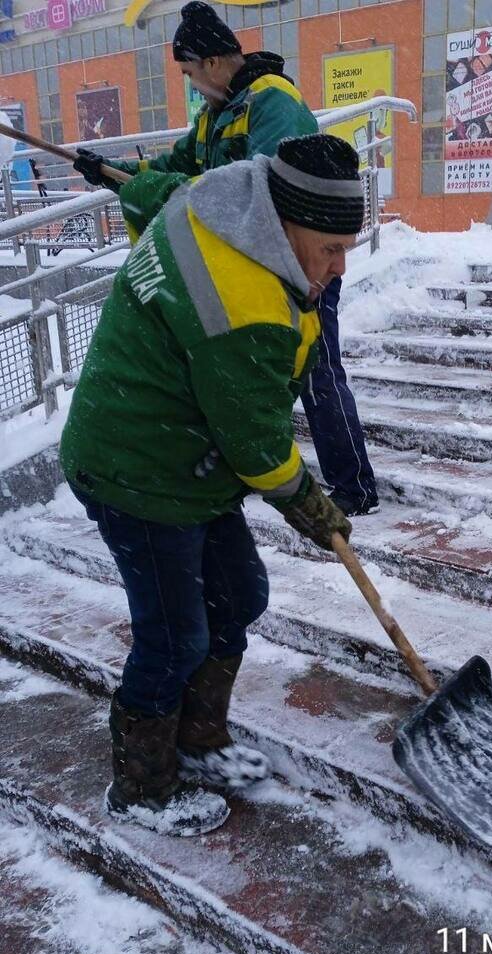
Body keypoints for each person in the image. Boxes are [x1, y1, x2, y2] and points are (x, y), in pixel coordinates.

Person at [60, 133, 364, 837]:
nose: (338, 267)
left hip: (186, 461)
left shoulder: (216, 200)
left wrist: (112, 173)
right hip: (136, 470)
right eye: (329, 249)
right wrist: (317, 512)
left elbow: (147, 191)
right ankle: (142, 787)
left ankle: (198, 738)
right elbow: (257, 448)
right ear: (283, 229)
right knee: (173, 638)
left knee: (240, 594)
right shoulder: (245, 304)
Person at [73, 0, 378, 517]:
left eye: (191, 71)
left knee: (317, 371)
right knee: (280, 374)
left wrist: (170, 193)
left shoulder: (271, 102)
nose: (193, 83)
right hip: (249, 276)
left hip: (301, 267)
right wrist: (112, 170)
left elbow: (260, 191)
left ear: (214, 62)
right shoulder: (218, 113)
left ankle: (355, 486)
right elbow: (177, 165)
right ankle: (284, 470)